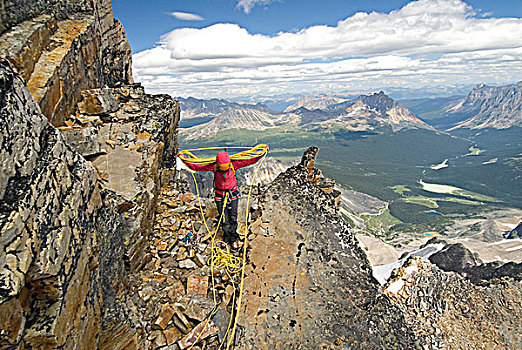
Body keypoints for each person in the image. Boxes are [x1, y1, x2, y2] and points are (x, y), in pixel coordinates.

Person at [178, 147, 267, 248]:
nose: (224, 171)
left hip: (231, 194)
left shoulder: (232, 164)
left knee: (233, 217)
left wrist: (261, 153)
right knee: (224, 217)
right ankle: (227, 237)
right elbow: (196, 166)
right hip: (222, 195)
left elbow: (250, 160)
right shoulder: (215, 166)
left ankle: (233, 238)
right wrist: (183, 158)